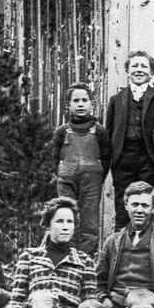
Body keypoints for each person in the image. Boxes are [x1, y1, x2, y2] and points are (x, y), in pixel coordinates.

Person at [9, 198, 98, 308]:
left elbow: (90, 306)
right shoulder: (29, 257)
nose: (65, 227)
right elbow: (17, 301)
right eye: (59, 221)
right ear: (48, 224)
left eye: (70, 222)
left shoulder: (84, 262)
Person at [106, 51, 154, 231]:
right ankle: (121, 243)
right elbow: (109, 131)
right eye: (135, 66)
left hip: (148, 157)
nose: (139, 70)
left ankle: (145, 245)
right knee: (124, 201)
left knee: (146, 199)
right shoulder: (116, 99)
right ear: (128, 71)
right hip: (123, 157)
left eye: (144, 66)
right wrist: (111, 160)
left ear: (151, 72)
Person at [52, 82, 111, 256]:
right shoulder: (62, 131)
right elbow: (54, 158)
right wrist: (64, 173)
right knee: (67, 218)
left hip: (91, 182)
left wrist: (95, 174)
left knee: (90, 223)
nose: (80, 104)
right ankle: (67, 259)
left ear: (92, 104)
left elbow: (107, 159)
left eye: (84, 100)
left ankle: (85, 262)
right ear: (69, 105)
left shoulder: (100, 131)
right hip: (66, 181)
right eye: (75, 100)